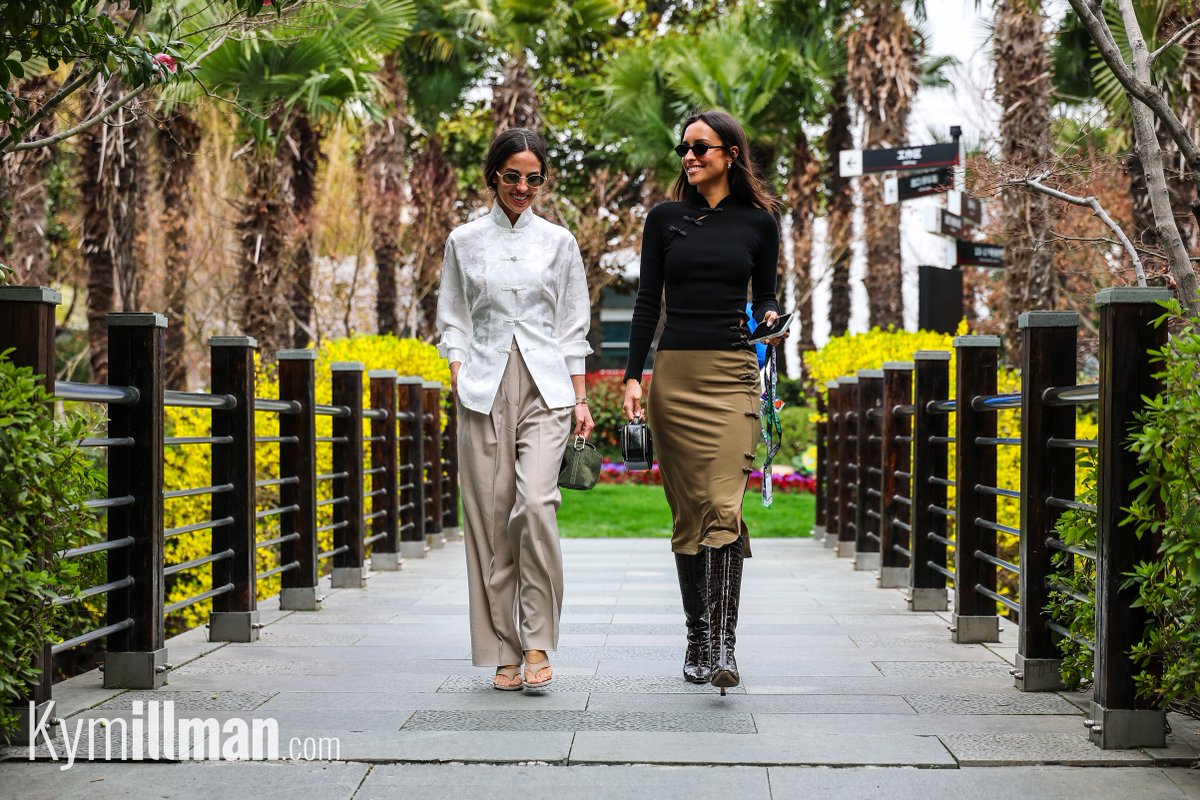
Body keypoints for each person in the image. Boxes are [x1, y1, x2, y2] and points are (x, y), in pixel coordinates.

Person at [622, 110, 784, 693]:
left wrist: (769, 319)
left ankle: (725, 645)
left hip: (734, 376)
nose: (688, 157)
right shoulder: (664, 219)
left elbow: (764, 294)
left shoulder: (761, 223)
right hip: (675, 377)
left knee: (723, 506)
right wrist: (633, 376)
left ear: (730, 153)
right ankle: (698, 637)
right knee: (690, 513)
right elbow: (646, 301)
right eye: (682, 148)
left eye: (699, 147)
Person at [436, 127, 594, 691]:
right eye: (512, 176)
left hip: (547, 388)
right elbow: (452, 318)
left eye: (533, 178)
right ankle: (504, 648)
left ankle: (538, 640)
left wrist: (580, 398)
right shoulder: (463, 240)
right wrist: (457, 370)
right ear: (493, 177)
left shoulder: (560, 243)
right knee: (489, 524)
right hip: (481, 389)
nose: (522, 187)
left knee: (532, 506)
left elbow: (574, 327)